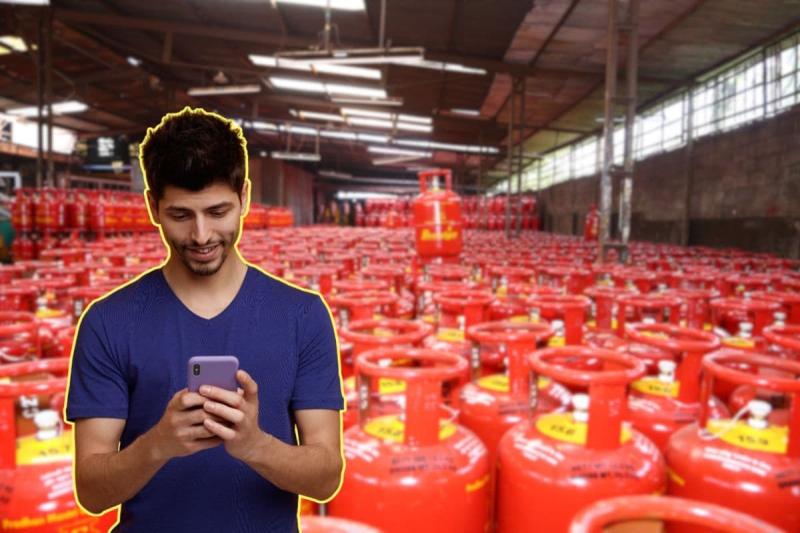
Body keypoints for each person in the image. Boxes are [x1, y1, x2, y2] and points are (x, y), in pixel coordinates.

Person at [65, 107, 345, 532]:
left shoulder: (302, 316)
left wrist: (255, 446)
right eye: (181, 215)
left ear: (244, 197)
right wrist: (159, 444)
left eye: (217, 212)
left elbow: (325, 479)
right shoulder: (108, 323)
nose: (201, 236)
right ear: (153, 206)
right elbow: (92, 492)